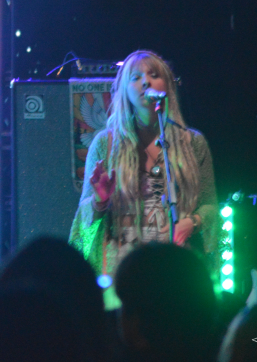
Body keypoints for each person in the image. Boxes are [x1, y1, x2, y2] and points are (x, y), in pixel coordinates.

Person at [69, 50, 217, 303]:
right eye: (135, 77)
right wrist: (100, 201)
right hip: (120, 270)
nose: (145, 82)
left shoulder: (193, 143)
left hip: (175, 268)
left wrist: (192, 222)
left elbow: (211, 205)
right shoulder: (105, 143)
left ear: (168, 86)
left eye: (154, 75)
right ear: (124, 90)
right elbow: (83, 218)